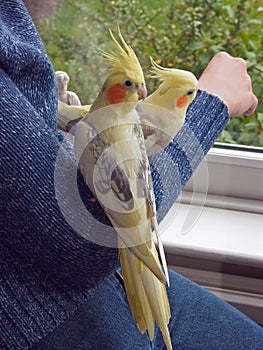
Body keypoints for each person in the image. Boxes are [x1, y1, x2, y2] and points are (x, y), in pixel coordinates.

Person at [0, 1, 261, 349]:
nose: (139, 96)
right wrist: (212, 104)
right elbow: (83, 238)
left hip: (93, 279)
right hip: (42, 311)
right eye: (129, 87)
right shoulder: (122, 128)